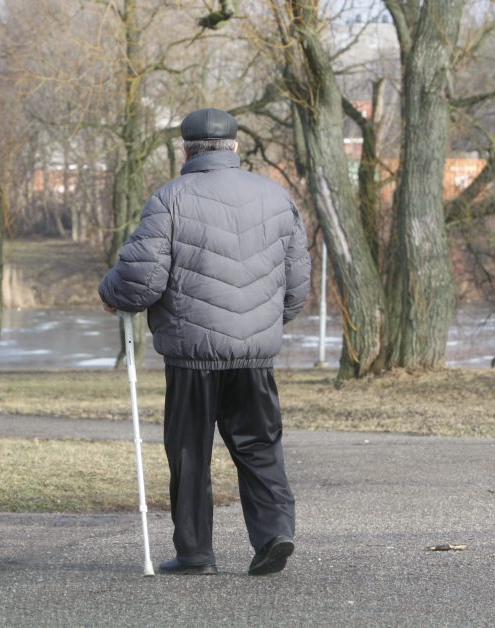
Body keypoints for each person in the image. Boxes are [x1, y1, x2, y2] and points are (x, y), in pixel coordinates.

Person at [99, 108, 311, 576]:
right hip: (254, 356)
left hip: (193, 355)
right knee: (260, 446)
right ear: (235, 147)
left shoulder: (170, 198)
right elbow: (296, 285)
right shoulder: (277, 198)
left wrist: (110, 291)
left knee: (190, 451)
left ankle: (196, 554)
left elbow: (142, 281)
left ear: (185, 149)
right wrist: (264, 324)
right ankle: (275, 533)